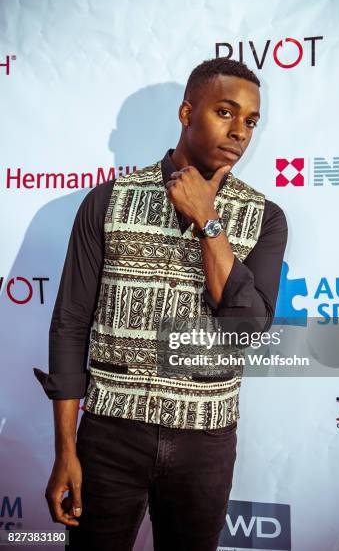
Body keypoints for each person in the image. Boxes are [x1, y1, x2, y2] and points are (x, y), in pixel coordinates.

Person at [33, 57, 288, 551]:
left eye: (251, 121)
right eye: (226, 112)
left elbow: (247, 329)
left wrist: (208, 219)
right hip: (109, 436)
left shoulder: (265, 217)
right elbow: (69, 324)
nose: (240, 131)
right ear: (186, 112)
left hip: (205, 442)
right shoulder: (108, 201)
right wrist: (66, 448)